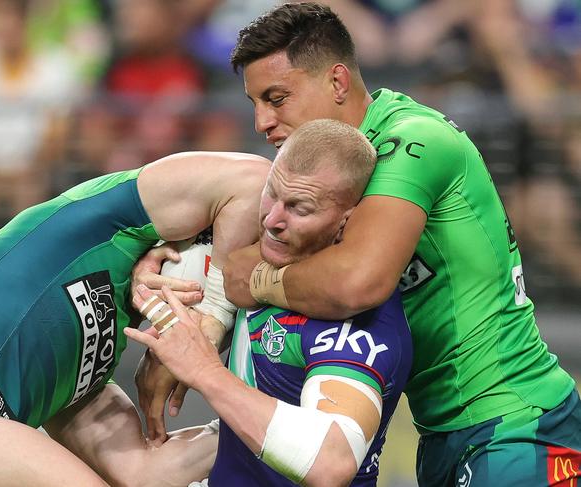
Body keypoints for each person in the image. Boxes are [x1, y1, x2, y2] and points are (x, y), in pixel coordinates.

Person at [135, 3, 581, 485]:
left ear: (338, 82)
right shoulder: (322, 185)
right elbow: (235, 257)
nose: (263, 121)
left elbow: (355, 282)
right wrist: (188, 302)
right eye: (254, 103)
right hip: (445, 433)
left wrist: (250, 283)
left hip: (517, 422)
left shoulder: (414, 140)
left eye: (277, 97)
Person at [0, 150, 270, 486]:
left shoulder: (81, 370)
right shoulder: (93, 218)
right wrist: (213, 315)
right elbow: (253, 179)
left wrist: (280, 416)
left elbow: (145, 475)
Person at [127, 119, 413, 487]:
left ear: (346, 222)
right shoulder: (262, 255)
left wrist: (203, 368)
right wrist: (144, 264)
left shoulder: (355, 326)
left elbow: (332, 463)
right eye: (272, 193)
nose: (273, 219)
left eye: (300, 208)